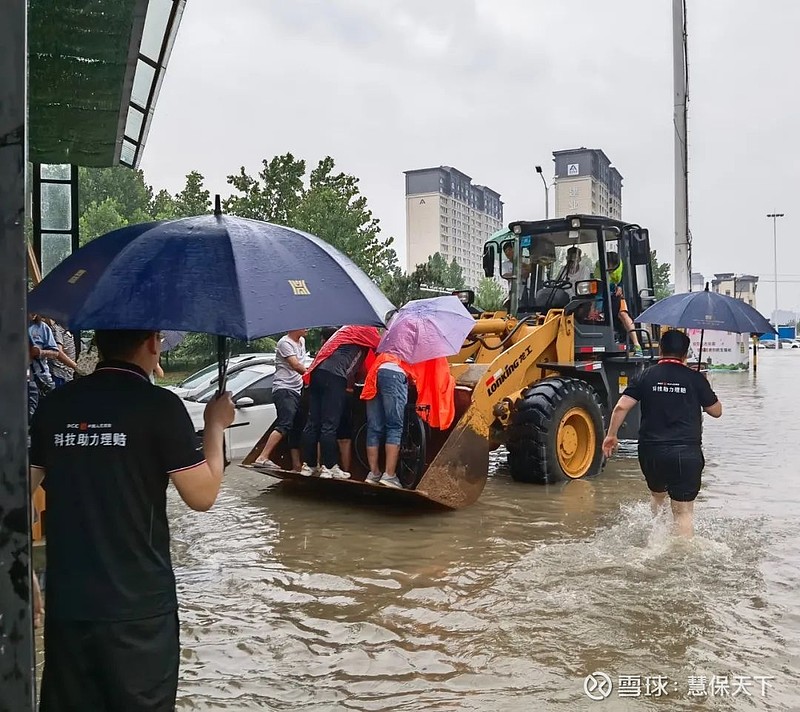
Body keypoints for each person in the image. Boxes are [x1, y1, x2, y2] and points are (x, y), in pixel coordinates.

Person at [29, 329, 235, 711]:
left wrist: (26, 569)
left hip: (69, 605)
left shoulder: (55, 404)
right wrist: (216, 426)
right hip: (138, 609)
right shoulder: (159, 406)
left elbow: (16, 496)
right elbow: (202, 495)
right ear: (153, 342)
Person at [602, 330, 722, 537]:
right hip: (686, 452)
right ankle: (681, 557)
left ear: (660, 350)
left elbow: (621, 407)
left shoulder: (645, 375)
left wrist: (611, 435)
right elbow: (716, 411)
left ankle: (656, 537)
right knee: (683, 512)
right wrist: (704, 386)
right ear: (685, 354)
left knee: (657, 496)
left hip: (651, 451)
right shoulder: (695, 379)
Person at [300, 325, 380, 479]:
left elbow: (358, 365)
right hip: (335, 376)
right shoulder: (367, 329)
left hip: (317, 373)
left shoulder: (346, 330)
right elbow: (384, 348)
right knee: (329, 424)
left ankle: (309, 465)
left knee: (313, 422)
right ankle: (329, 467)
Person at [254, 328, 308, 471]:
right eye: (304, 325)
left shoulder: (302, 341)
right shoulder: (284, 343)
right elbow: (296, 365)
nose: (307, 328)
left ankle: (296, 465)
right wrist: (312, 376)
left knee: (296, 428)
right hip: (284, 389)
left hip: (297, 389)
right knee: (285, 424)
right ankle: (262, 457)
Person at [593, 252, 643, 355]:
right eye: (609, 269)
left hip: (615, 295)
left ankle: (637, 345)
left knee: (623, 314)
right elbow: (598, 293)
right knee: (595, 314)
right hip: (601, 296)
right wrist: (597, 308)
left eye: (612, 269)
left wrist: (620, 286)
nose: (611, 271)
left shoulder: (621, 267)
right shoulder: (598, 271)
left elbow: (622, 280)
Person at [48, 319, 79, 387]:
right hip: (59, 373)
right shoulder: (57, 329)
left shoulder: (67, 329)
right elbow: (58, 352)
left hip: (68, 373)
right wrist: (76, 367)